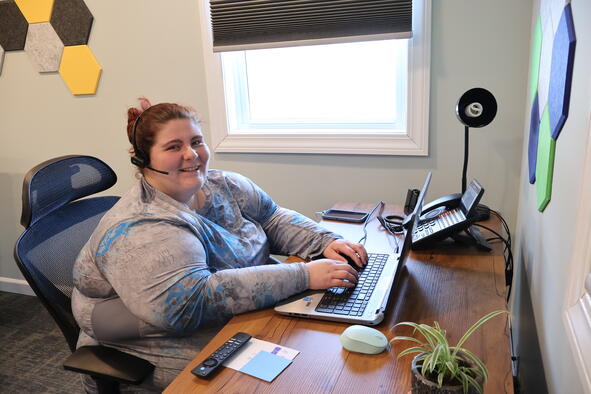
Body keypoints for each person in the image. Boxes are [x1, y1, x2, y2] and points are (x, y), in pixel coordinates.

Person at [71, 98, 367, 392]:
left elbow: (272, 217)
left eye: (196, 141)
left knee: (318, 346)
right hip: (152, 335)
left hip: (230, 312)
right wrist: (304, 275)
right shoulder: (142, 228)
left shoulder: (224, 184)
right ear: (143, 159)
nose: (191, 154)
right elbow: (189, 303)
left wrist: (323, 242)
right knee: (286, 379)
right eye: (174, 147)